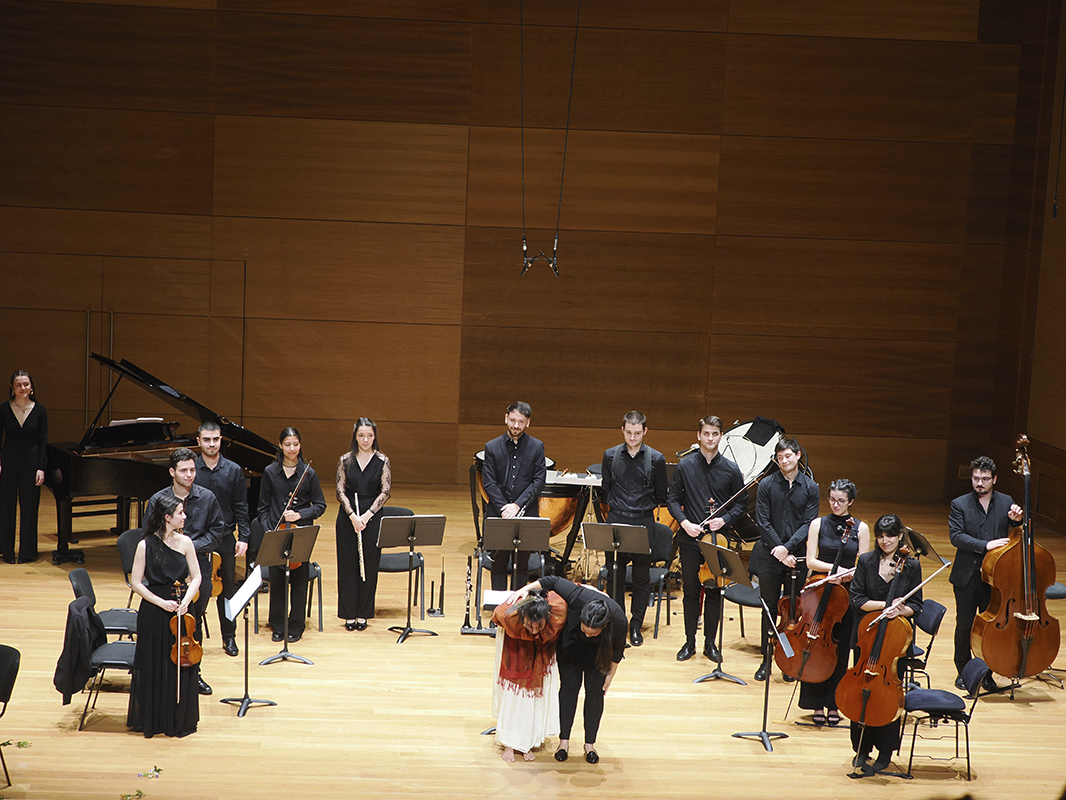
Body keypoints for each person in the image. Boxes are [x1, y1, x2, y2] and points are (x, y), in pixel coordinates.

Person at [514, 576, 626, 764]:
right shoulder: (578, 596)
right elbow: (552, 580)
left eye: (592, 632)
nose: (587, 634)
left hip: (599, 652)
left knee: (595, 692)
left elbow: (618, 650)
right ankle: (563, 742)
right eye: (585, 629)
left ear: (604, 625)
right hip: (571, 645)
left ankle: (590, 745)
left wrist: (610, 675)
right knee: (568, 689)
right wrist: (523, 590)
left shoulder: (619, 620)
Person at [844, 513, 922, 775]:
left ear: (900, 536)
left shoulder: (911, 566)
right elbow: (856, 599)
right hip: (866, 637)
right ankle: (861, 748)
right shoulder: (866, 561)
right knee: (861, 691)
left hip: (895, 644)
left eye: (890, 536)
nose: (884, 541)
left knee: (889, 695)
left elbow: (916, 605)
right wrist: (886, 606)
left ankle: (886, 750)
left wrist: (901, 610)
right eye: (880, 536)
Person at [144, 447, 226, 696]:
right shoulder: (157, 500)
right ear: (172, 472)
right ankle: (163, 674)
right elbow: (148, 536)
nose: (189, 475)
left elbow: (217, 533)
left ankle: (193, 673)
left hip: (198, 566)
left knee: (193, 622)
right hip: (165, 572)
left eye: (192, 470)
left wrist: (188, 547)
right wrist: (174, 547)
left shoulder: (207, 498)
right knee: (165, 623)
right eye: (183, 470)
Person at [666, 415, 746, 663]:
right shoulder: (685, 466)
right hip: (690, 538)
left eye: (715, 434)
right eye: (706, 433)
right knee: (691, 591)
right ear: (698, 436)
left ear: (721, 436)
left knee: (714, 589)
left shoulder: (731, 469)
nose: (710, 438)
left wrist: (724, 520)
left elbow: (740, 503)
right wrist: (684, 522)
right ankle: (689, 642)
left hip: (717, 539)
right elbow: (672, 500)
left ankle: (710, 643)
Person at [126, 493, 202, 738]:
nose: (185, 516)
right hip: (154, 609)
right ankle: (155, 718)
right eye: (180, 513)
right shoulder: (145, 545)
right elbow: (136, 583)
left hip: (182, 609)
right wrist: (161, 603)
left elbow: (196, 577)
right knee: (155, 662)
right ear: (167, 518)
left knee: (181, 661)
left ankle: (178, 718)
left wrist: (186, 601)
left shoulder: (186, 542)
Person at [797, 479, 871, 726]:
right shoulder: (818, 524)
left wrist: (848, 574)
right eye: (832, 500)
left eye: (841, 501)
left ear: (851, 501)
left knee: (839, 648)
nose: (836, 505)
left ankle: (834, 703)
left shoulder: (861, 528)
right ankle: (815, 702)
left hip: (846, 593)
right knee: (816, 645)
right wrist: (835, 570)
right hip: (820, 589)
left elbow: (864, 564)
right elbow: (810, 561)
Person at [948, 455, 1022, 691]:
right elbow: (956, 536)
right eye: (976, 478)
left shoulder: (1006, 501)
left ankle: (986, 673)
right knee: (965, 624)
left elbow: (1016, 533)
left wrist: (1017, 521)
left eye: (985, 479)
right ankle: (963, 671)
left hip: (996, 578)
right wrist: (985, 545)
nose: (979, 483)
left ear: (994, 479)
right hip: (967, 576)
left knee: (990, 627)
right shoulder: (959, 504)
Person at [751, 436, 819, 680]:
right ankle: (766, 660)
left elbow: (808, 524)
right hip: (771, 555)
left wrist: (787, 549)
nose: (784, 461)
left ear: (798, 455)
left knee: (792, 612)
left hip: (796, 558)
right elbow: (763, 521)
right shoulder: (766, 485)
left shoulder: (811, 487)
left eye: (788, 456)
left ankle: (789, 662)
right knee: (769, 610)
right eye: (779, 458)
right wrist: (780, 550)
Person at [599, 410, 668, 647]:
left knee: (641, 578)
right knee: (614, 576)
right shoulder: (610, 455)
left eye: (637, 433)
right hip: (617, 519)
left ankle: (636, 625)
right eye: (628, 432)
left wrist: (640, 508)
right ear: (622, 430)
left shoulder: (657, 459)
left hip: (643, 522)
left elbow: (661, 494)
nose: (632, 438)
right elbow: (606, 488)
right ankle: (617, 624)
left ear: (645, 431)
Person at [257, 427, 326, 644]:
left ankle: (296, 625)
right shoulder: (270, 472)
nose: (292, 448)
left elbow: (320, 505)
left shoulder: (308, 473)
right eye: (287, 444)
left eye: (296, 444)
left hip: (300, 533)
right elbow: (263, 508)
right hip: (277, 533)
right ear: (280, 445)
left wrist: (300, 514)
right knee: (277, 581)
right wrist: (270, 531)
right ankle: (277, 624)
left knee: (299, 581)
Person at [193, 420, 250, 658]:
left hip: (225, 538)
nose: (212, 444)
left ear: (221, 440)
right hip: (197, 540)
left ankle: (229, 637)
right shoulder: (191, 469)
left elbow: (241, 506)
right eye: (207, 440)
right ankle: (194, 638)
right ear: (199, 441)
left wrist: (244, 536)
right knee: (198, 592)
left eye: (215, 439)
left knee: (227, 591)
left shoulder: (233, 470)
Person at [490, 588, 567, 762]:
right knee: (514, 695)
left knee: (534, 697)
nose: (534, 630)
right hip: (515, 649)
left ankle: (528, 743)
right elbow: (497, 614)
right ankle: (509, 744)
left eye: (538, 625)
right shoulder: (509, 614)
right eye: (530, 625)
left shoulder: (556, 610)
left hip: (542, 652)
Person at [481, 401, 546, 591]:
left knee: (522, 566)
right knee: (498, 564)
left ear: (528, 422)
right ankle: (499, 606)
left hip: (526, 513)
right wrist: (504, 509)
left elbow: (538, 481)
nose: (516, 426)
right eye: (512, 420)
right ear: (506, 418)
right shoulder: (492, 447)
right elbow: (489, 483)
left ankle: (518, 605)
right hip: (498, 513)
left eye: (521, 422)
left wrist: (517, 505)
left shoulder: (537, 447)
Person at [336, 418, 391, 631]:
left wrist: (366, 516)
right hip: (348, 516)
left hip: (372, 516)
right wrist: (352, 516)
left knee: (369, 565)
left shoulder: (382, 461)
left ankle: (363, 613)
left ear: (374, 436)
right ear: (355, 436)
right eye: (361, 435)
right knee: (347, 566)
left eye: (369, 435)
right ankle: (348, 613)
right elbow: (340, 491)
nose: (365, 440)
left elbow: (385, 492)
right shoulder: (345, 460)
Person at [0, 370, 48, 564]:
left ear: (31, 387)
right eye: (18, 385)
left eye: (26, 384)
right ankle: (7, 551)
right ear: (12, 388)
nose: (23, 388)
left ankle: (27, 552)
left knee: (29, 507)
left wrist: (41, 467)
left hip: (31, 461)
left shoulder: (40, 410)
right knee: (6, 506)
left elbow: (43, 441)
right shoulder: (3, 409)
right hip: (9, 460)